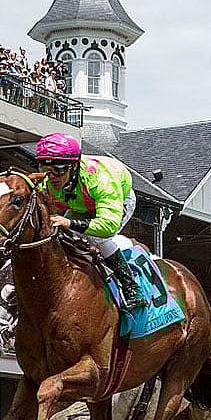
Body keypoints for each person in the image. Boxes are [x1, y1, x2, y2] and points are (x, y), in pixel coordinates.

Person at [34, 132, 146, 311]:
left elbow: (108, 226)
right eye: (45, 168)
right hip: (81, 203)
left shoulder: (100, 180)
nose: (52, 176)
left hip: (118, 200)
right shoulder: (47, 182)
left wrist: (69, 223)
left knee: (97, 238)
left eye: (59, 168)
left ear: (74, 166)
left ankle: (131, 286)